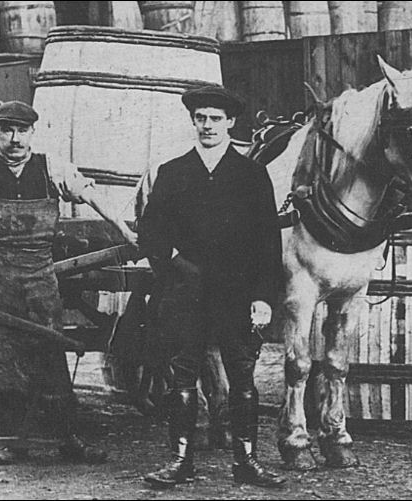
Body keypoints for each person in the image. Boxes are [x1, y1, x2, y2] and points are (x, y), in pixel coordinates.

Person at [0, 101, 137, 466]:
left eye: (22, 131)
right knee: (2, 358)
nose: (15, 138)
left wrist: (124, 229)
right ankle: (10, 441)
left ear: (32, 134)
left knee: (50, 352)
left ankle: (68, 438)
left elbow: (92, 194)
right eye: (8, 130)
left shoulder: (52, 168)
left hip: (39, 275)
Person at [138, 85, 286, 488]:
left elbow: (268, 241)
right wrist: (172, 263)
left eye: (215, 119)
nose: (207, 125)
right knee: (182, 376)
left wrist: (262, 297)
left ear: (230, 123)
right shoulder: (172, 172)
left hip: (237, 293)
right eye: (201, 117)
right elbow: (149, 231)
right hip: (186, 291)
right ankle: (181, 461)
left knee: (243, 377)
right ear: (192, 120)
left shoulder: (252, 175)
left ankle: (247, 462)